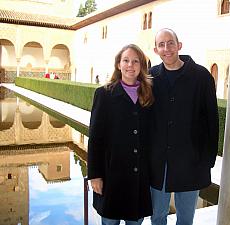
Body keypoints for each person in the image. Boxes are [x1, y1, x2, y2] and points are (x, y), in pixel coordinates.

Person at [149, 28, 219, 225]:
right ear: (156, 50)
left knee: (186, 219)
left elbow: (211, 121)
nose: (166, 48)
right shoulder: (151, 76)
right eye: (161, 44)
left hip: (191, 161)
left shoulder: (202, 76)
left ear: (179, 45)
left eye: (170, 43)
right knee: (158, 216)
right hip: (159, 163)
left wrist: (208, 160)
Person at [88, 44, 154, 225]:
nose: (130, 65)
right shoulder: (104, 94)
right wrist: (94, 175)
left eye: (135, 61)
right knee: (110, 222)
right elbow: (95, 138)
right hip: (111, 175)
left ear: (141, 66)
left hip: (138, 176)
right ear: (118, 64)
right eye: (126, 60)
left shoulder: (148, 94)